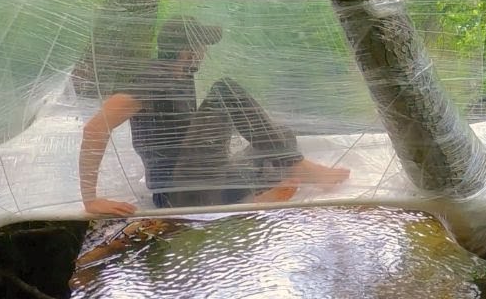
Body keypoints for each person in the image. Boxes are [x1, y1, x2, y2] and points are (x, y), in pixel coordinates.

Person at [78, 16, 350, 216]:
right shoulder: (154, 78)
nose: (204, 54)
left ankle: (257, 190)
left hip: (201, 181)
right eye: (202, 47)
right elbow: (94, 128)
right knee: (225, 90)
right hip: (178, 193)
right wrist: (90, 200)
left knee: (281, 136)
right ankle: (287, 173)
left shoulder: (179, 77)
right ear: (189, 52)